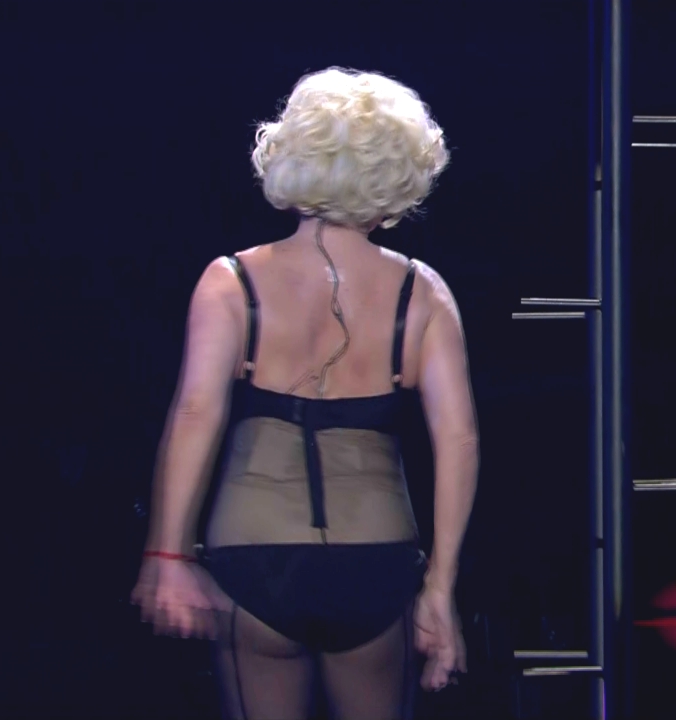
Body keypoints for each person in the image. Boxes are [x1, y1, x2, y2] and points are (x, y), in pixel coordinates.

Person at [130, 67, 479, 719]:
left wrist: (167, 552)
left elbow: (196, 413)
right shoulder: (422, 292)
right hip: (376, 560)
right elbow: (457, 440)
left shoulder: (231, 281)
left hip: (253, 555)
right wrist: (440, 589)